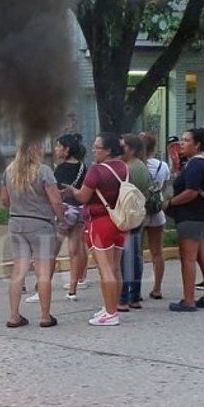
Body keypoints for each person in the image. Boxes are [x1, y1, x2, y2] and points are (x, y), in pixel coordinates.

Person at [65, 133, 128, 326]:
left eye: (97, 147)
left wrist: (71, 190)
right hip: (119, 221)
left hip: (100, 222)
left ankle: (110, 313)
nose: (93, 151)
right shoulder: (124, 168)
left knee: (105, 270)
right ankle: (112, 306)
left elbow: (84, 197)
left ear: (107, 150)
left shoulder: (96, 171)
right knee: (115, 268)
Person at [1, 140, 65, 328]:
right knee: (43, 272)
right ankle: (45, 317)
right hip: (41, 225)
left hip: (16, 222)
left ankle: (14, 316)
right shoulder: (43, 171)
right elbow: (56, 200)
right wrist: (61, 218)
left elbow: (4, 199)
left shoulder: (9, 172)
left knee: (18, 271)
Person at [163, 128, 204, 312]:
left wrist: (170, 202)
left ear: (197, 144)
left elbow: (191, 192)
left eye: (186, 140)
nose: (182, 144)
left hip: (191, 217)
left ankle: (189, 300)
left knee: (188, 259)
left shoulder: (195, 164)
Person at [118, 134, 153, 311]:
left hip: (130, 216)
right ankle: (134, 295)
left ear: (131, 149)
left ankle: (124, 297)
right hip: (137, 215)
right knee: (134, 256)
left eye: (122, 146)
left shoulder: (132, 169)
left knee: (126, 258)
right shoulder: (139, 166)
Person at [52, 134, 89, 300]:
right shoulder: (83, 167)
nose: (56, 149)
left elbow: (54, 193)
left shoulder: (59, 169)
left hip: (64, 211)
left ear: (66, 150)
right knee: (75, 251)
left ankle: (43, 286)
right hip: (80, 210)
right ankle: (73, 290)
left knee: (52, 251)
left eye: (58, 146)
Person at [143, 132, 172, 300]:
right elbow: (166, 188)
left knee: (136, 252)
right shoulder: (163, 166)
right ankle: (157, 288)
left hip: (139, 211)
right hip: (157, 209)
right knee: (157, 252)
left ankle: (134, 289)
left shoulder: (136, 166)